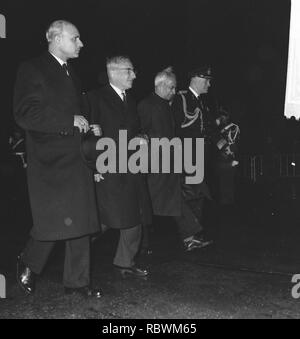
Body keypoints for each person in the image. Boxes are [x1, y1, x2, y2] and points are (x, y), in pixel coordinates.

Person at [13, 20, 102, 298]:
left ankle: (78, 282)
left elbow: (77, 113)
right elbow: (25, 113)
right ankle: (28, 261)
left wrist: (89, 125)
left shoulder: (70, 73)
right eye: (75, 39)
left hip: (76, 156)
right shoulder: (32, 68)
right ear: (55, 38)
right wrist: (68, 120)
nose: (81, 44)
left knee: (82, 219)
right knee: (53, 220)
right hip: (50, 159)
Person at [88, 56, 152, 278]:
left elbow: (133, 130)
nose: (134, 75)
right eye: (129, 71)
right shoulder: (96, 98)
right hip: (108, 167)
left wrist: (142, 137)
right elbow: (90, 138)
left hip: (131, 167)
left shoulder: (130, 100)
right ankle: (75, 249)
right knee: (104, 220)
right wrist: (95, 169)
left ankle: (125, 261)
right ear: (113, 73)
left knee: (135, 214)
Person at [138, 67, 211, 251]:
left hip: (167, 162)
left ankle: (189, 237)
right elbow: (140, 132)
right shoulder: (147, 105)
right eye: (171, 88)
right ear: (160, 85)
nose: (173, 91)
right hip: (154, 163)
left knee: (172, 200)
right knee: (146, 203)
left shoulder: (164, 105)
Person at [172, 66, 216, 244]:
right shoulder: (181, 98)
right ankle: (189, 236)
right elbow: (176, 127)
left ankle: (193, 238)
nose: (209, 84)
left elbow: (207, 128)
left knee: (198, 195)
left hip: (198, 153)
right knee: (189, 194)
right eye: (207, 80)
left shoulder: (200, 102)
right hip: (186, 154)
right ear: (197, 79)